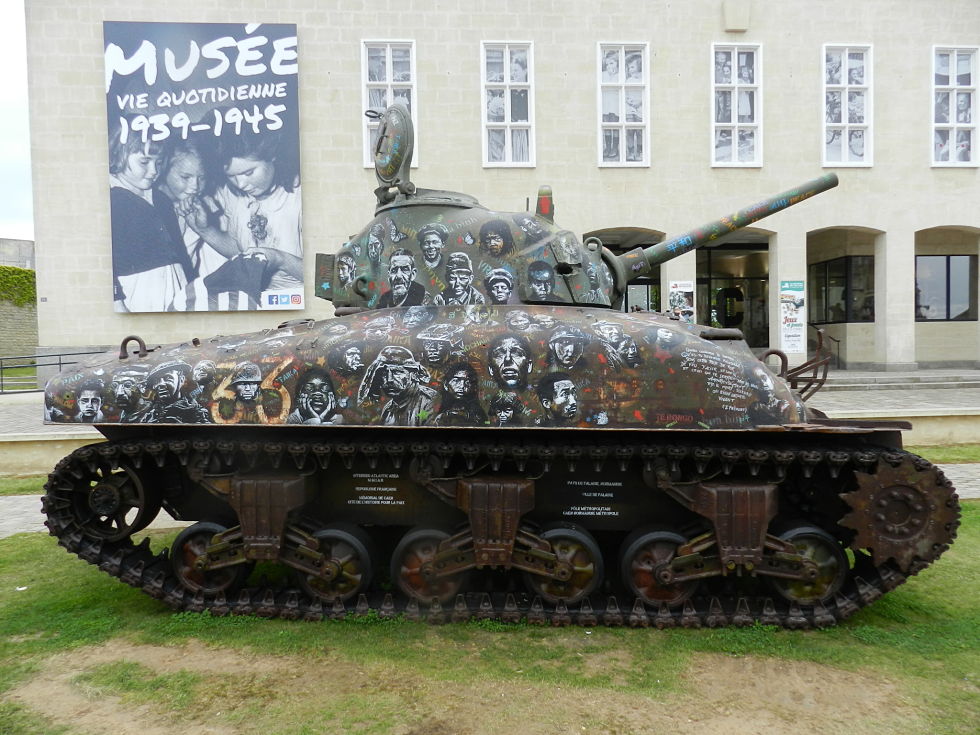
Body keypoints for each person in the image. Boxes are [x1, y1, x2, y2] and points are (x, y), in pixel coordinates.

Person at [182, 127, 303, 300]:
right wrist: (205, 230)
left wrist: (281, 259)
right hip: (259, 298)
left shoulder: (300, 195)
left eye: (248, 172)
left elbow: (328, 278)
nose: (241, 184)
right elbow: (241, 251)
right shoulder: (234, 195)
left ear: (272, 156)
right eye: (231, 176)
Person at [108, 122, 194, 312]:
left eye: (159, 162)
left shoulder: (161, 199)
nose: (154, 171)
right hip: (136, 293)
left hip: (176, 285)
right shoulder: (109, 198)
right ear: (119, 154)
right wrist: (116, 301)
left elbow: (179, 250)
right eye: (144, 162)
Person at [357, 346, 436, 426]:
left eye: (396, 372)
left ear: (413, 374)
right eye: (384, 374)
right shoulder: (388, 409)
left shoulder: (430, 402)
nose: (389, 380)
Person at [141, 360, 212, 424]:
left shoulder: (197, 413)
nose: (160, 384)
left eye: (168, 378)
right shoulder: (150, 415)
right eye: (156, 381)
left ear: (181, 380)